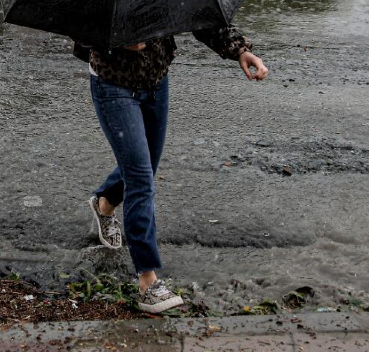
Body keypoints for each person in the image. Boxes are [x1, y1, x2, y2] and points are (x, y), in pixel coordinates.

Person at [73, 28, 269, 314]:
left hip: (156, 83)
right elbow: (79, 26)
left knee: (146, 166)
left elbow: (198, 13)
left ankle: (105, 203)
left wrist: (240, 51)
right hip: (113, 85)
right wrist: (116, 39)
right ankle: (147, 281)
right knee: (141, 180)